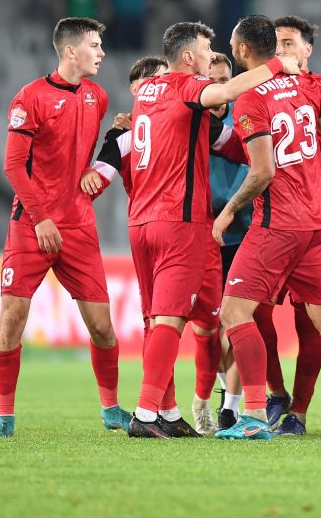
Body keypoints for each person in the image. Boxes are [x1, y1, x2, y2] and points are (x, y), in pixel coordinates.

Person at [119, 21, 298, 439]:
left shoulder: (148, 91)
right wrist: (277, 65)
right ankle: (145, 415)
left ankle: (166, 411)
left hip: (140, 221)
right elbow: (225, 93)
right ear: (187, 57)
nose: (211, 53)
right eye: (206, 47)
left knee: (158, 320)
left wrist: (258, 149)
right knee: (170, 320)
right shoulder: (186, 86)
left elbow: (215, 138)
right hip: (179, 222)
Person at [84, 54, 247, 436]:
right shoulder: (125, 134)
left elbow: (235, 144)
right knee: (163, 323)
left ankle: (193, 405)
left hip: (191, 231)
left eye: (162, 81)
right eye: (149, 84)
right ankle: (159, 410)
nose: (159, 90)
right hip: (173, 230)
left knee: (205, 327)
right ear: (136, 92)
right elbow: (99, 174)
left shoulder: (193, 120)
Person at [212, 15, 321, 441]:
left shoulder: (251, 98)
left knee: (235, 311)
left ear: (241, 51)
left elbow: (262, 172)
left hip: (277, 224)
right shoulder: (310, 85)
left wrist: (229, 210)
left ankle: (254, 416)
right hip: (316, 222)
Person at [0, 18, 129, 439]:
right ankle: (5, 418)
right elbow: (13, 165)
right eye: (95, 45)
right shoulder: (29, 98)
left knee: (102, 327)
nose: (101, 53)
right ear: (70, 51)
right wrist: (41, 216)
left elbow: (79, 153)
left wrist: (103, 152)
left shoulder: (97, 97)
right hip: (31, 224)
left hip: (79, 225)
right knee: (12, 319)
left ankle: (111, 409)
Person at [201, 52, 254, 433]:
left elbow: (256, 166)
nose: (220, 91)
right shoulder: (191, 119)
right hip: (201, 236)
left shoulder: (246, 113)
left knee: (236, 321)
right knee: (210, 328)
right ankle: (223, 392)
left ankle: (231, 407)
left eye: (225, 81)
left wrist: (231, 209)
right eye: (212, 83)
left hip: (242, 229)